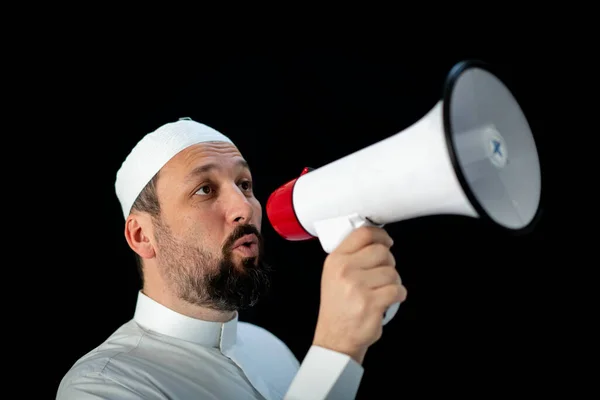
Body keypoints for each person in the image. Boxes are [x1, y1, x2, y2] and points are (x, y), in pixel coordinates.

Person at [56, 117, 407, 399]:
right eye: (204, 190)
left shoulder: (270, 349)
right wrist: (335, 350)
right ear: (141, 236)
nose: (245, 208)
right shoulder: (102, 386)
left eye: (244, 184)